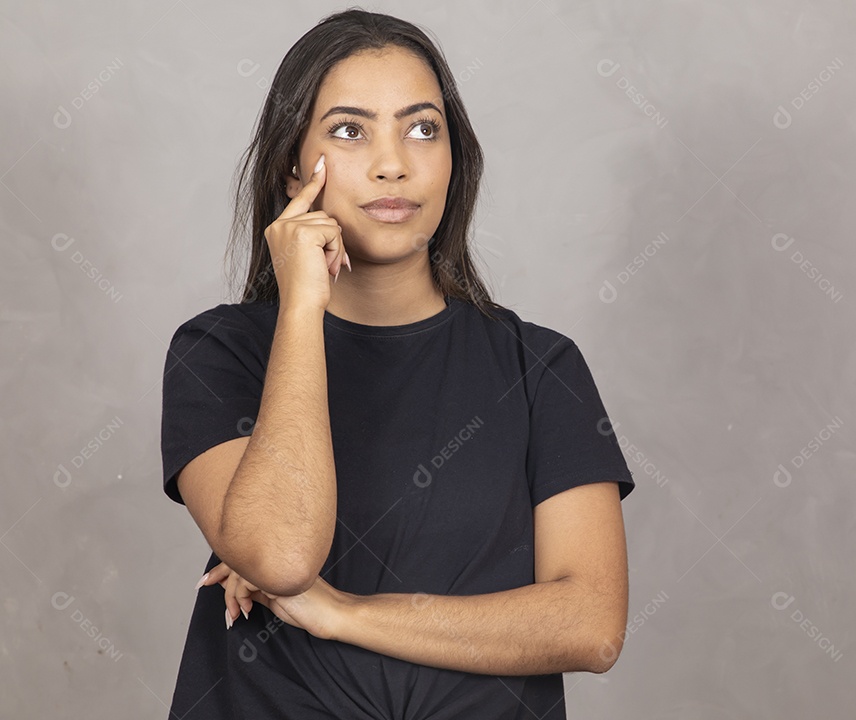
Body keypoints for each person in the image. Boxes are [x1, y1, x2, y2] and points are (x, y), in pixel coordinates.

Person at [159, 7, 635, 719]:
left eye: (422, 129)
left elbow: (591, 626)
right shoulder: (218, 353)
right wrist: (298, 311)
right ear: (294, 165)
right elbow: (282, 555)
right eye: (350, 130)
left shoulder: (540, 367)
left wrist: (338, 611)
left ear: (452, 159)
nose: (394, 163)